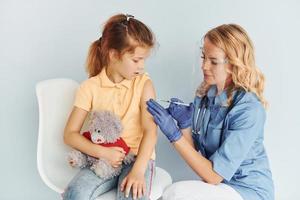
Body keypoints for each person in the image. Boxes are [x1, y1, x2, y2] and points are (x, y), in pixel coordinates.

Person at [147, 24, 274, 200]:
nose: (204, 66)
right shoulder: (206, 96)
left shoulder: (249, 109)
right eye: (203, 57)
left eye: (213, 61)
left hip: (247, 192)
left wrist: (174, 135)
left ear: (233, 63)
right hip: (219, 187)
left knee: (176, 194)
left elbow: (213, 175)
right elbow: (196, 158)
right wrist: (185, 126)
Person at [63, 13, 157, 200]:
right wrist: (103, 152)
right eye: (136, 60)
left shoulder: (144, 84)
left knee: (132, 194)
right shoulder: (89, 87)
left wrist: (138, 171)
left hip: (136, 159)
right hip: (102, 160)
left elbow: (150, 131)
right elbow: (70, 134)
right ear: (114, 55)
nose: (142, 67)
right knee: (75, 193)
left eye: (144, 60)